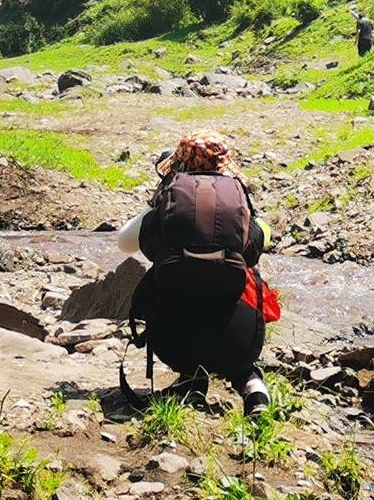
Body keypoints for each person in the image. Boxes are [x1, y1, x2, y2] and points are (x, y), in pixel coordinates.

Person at [116, 132, 279, 414]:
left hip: (174, 341)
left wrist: (156, 207)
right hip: (237, 340)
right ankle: (251, 385)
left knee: (169, 294)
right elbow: (262, 240)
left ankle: (192, 379)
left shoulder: (169, 202)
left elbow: (124, 242)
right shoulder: (238, 204)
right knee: (250, 283)